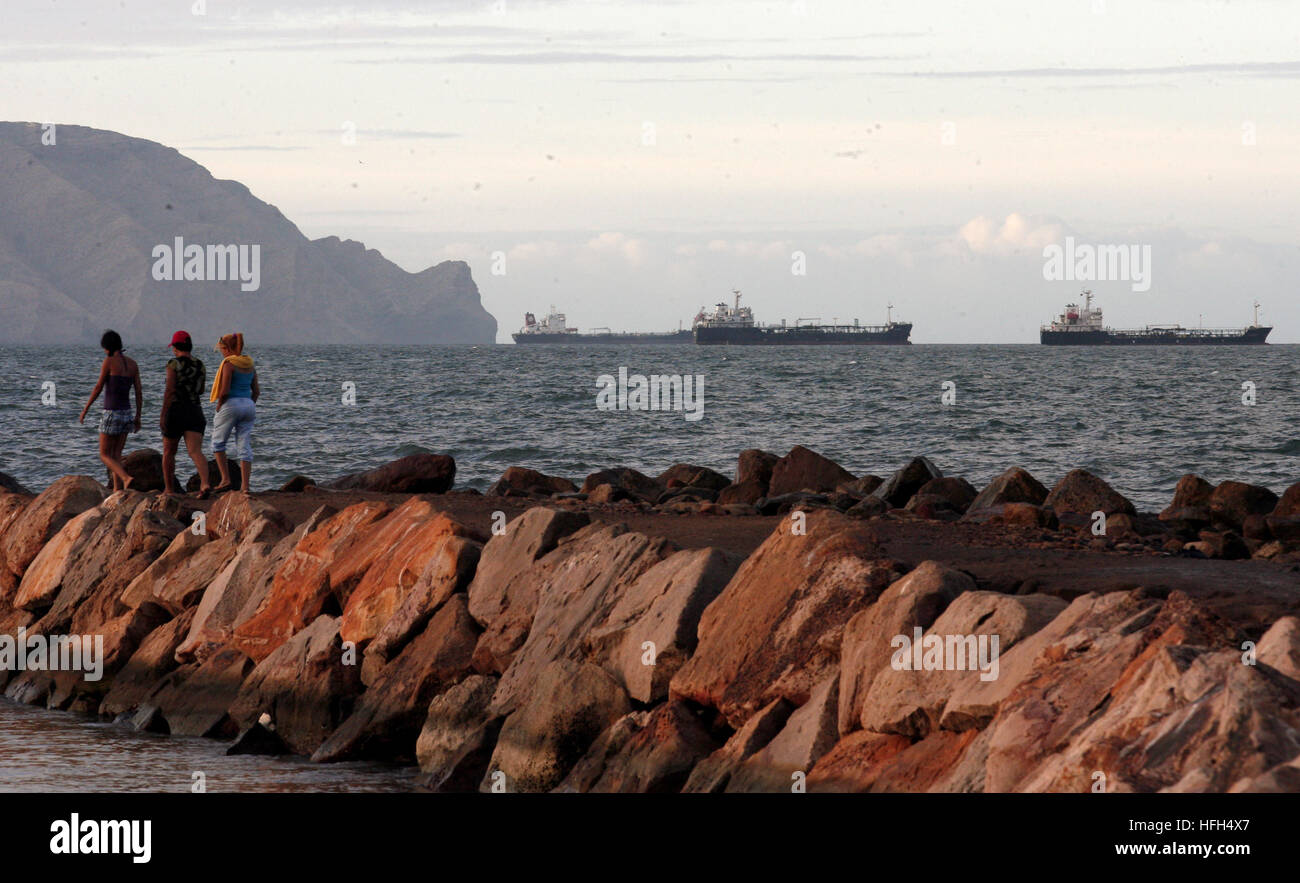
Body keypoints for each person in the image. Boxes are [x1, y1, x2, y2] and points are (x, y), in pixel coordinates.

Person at [78, 330, 142, 491]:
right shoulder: (133, 364)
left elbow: (99, 387)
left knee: (105, 454)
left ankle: (126, 477)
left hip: (111, 412)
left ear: (107, 347)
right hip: (127, 413)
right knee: (117, 455)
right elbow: (139, 392)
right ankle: (117, 490)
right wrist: (138, 416)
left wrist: (85, 409)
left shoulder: (109, 362)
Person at [160, 330, 212, 498]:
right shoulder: (200, 365)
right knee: (196, 451)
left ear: (176, 347)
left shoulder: (173, 364)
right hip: (195, 410)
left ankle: (169, 489)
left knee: (169, 452)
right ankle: (205, 483)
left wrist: (163, 414)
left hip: (176, 410)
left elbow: (170, 390)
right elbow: (202, 390)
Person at [209, 332, 259, 493]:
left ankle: (225, 479)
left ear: (227, 348)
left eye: (222, 349)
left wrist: (219, 405)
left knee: (218, 443)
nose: (222, 352)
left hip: (231, 404)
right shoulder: (249, 364)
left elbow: (224, 391)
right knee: (244, 445)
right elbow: (256, 390)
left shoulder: (228, 364)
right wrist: (249, 403)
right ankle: (245, 486)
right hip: (248, 405)